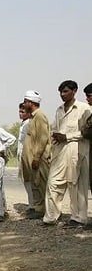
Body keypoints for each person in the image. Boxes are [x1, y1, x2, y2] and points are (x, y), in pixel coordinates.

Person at [43, 80, 91, 227]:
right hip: (60, 151)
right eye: (61, 92)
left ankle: (78, 218)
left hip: (77, 151)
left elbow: (88, 132)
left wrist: (67, 137)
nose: (62, 95)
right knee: (53, 183)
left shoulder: (84, 109)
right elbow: (55, 129)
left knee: (76, 186)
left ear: (74, 91)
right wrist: (55, 138)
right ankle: (51, 217)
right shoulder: (59, 110)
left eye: (65, 91)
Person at [20, 90, 51, 220]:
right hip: (31, 158)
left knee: (41, 184)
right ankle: (38, 209)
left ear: (30, 103)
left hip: (38, 158)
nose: (24, 104)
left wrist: (37, 157)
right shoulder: (33, 117)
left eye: (26, 101)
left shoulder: (40, 116)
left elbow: (43, 138)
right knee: (35, 184)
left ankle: (46, 210)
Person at [16, 103, 35, 212]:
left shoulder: (29, 123)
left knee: (30, 181)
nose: (20, 114)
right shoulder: (23, 124)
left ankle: (33, 205)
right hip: (22, 155)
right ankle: (31, 203)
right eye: (20, 111)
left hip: (28, 155)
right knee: (25, 180)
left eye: (23, 112)